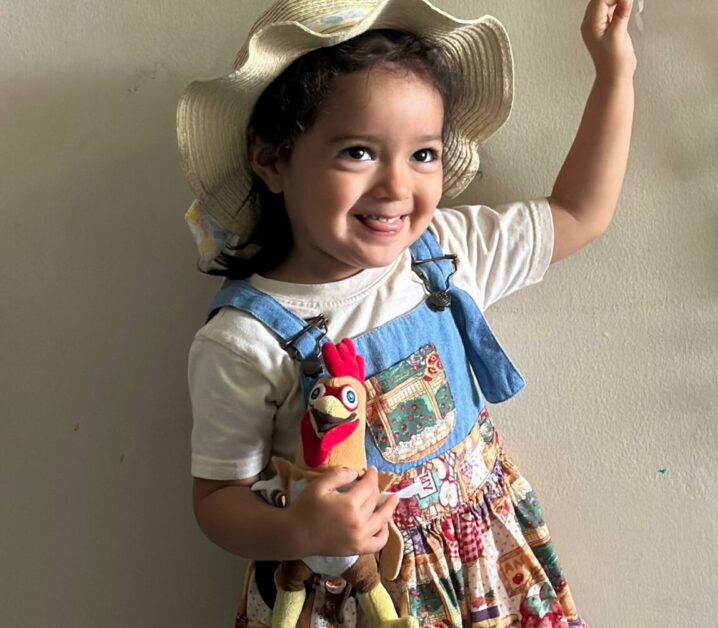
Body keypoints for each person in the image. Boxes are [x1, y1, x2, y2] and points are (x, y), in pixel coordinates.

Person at [178, 0, 635, 625]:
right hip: (351, 598)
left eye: (423, 154)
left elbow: (581, 213)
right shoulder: (245, 339)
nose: (397, 186)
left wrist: (615, 74)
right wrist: (299, 529)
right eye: (358, 152)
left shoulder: (445, 253)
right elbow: (216, 501)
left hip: (486, 576)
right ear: (272, 159)